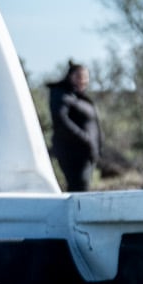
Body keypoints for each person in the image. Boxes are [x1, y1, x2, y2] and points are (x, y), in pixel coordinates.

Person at [46, 62, 98, 193]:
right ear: (70, 76)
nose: (83, 80)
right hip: (72, 152)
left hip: (86, 153)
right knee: (78, 188)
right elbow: (61, 120)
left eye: (86, 77)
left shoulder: (80, 98)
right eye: (79, 76)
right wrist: (86, 139)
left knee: (82, 187)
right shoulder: (61, 95)